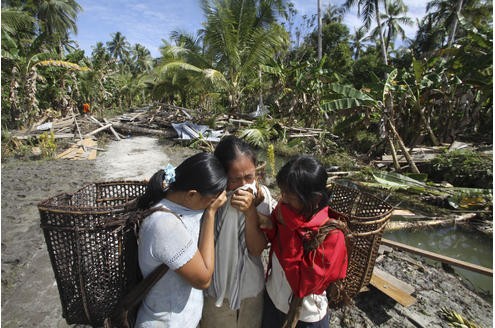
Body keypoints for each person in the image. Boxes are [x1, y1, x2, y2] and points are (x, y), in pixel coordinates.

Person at [135, 152, 228, 328]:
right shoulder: (165, 225)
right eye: (210, 201)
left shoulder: (178, 201)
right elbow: (203, 279)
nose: (211, 204)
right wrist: (211, 214)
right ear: (191, 195)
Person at [260, 155, 348, 328]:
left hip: (305, 317)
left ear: (314, 199)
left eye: (290, 196)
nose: (282, 198)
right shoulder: (286, 209)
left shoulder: (332, 236)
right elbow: (271, 235)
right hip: (272, 299)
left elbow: (301, 285)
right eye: (282, 191)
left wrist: (287, 229)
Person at [201, 136, 276, 328]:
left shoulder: (262, 197)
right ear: (221, 176)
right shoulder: (208, 200)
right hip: (215, 294)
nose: (243, 185)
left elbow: (257, 249)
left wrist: (251, 213)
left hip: (250, 292)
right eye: (234, 179)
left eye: (249, 177)